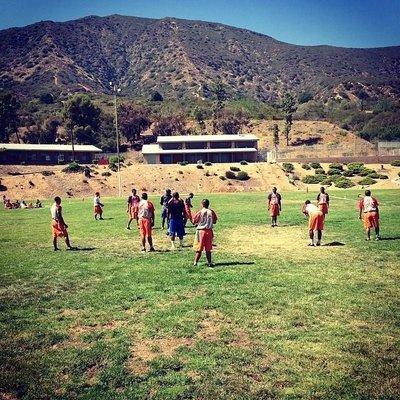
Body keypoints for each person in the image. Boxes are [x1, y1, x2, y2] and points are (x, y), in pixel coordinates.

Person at [192, 199, 218, 267]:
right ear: (208, 204)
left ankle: (195, 262)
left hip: (200, 231)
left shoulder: (200, 212)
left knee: (199, 248)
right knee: (208, 248)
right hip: (209, 231)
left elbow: (194, 220)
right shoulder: (211, 212)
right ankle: (209, 263)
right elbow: (215, 221)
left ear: (202, 204)